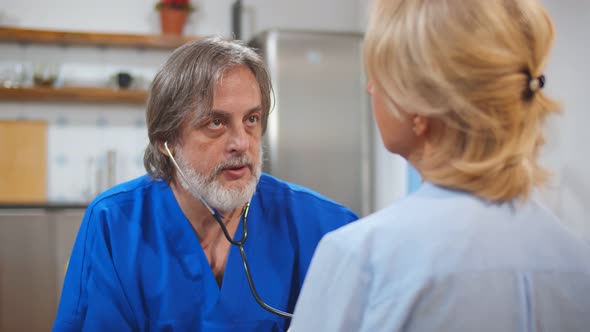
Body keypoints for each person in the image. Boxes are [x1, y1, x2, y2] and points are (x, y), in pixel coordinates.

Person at [290, 0, 590, 331]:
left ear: (418, 104)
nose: (369, 87)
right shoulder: (575, 258)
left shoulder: (362, 256)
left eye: (378, 75)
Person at [53, 36, 358, 332]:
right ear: (166, 140)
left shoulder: (325, 226)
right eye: (216, 122)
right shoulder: (116, 223)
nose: (241, 143)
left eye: (251, 119)